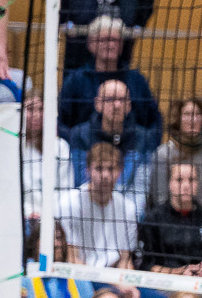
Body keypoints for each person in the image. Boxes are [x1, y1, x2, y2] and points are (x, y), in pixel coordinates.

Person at [58, 16, 162, 133]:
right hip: (84, 149)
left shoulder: (137, 80)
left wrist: (145, 145)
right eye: (104, 40)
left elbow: (155, 120)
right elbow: (59, 120)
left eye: (115, 40)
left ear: (121, 45)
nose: (110, 45)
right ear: (90, 44)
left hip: (131, 148)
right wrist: (75, 145)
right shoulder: (75, 80)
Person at [53, 144, 139, 270]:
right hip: (79, 275)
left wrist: (128, 287)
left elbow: (125, 261)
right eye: (99, 169)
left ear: (120, 171)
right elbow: (72, 259)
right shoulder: (68, 204)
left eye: (111, 169)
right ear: (88, 170)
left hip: (114, 276)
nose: (105, 175)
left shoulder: (128, 208)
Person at [64, 78, 155, 194]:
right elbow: (80, 181)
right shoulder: (80, 135)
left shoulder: (143, 137)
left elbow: (141, 187)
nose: (117, 105)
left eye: (122, 100)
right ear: (98, 104)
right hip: (89, 202)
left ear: (129, 105)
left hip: (128, 207)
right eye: (110, 99)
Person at [137, 161, 202, 275]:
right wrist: (178, 272)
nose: (186, 186)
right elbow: (145, 265)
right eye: (179, 180)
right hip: (164, 284)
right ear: (169, 184)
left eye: (191, 180)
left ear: (198, 183)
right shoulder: (154, 219)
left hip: (201, 283)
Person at [147, 97, 202, 216]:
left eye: (198, 114)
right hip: (169, 218)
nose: (192, 120)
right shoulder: (162, 154)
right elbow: (159, 199)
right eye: (187, 114)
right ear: (178, 119)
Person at [20, 90, 74, 224]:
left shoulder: (60, 146)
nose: (37, 115)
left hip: (54, 218)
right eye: (30, 109)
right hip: (21, 217)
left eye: (41, 109)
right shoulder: (13, 147)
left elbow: (65, 190)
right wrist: (27, 212)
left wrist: (49, 215)